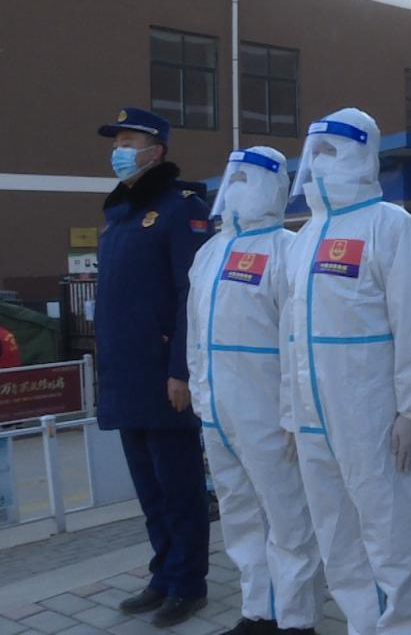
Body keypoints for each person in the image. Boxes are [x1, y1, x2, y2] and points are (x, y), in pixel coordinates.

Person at [283, 108, 411, 635]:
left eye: (332, 149)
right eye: (315, 151)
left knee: (394, 533)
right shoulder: (304, 237)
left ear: (362, 153)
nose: (319, 161)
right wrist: (292, 414)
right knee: (337, 537)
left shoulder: (394, 228)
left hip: (372, 414)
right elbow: (291, 336)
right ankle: (363, 625)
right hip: (314, 417)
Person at [187, 146, 322, 635]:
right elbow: (195, 333)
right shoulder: (209, 253)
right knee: (239, 512)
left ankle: (297, 618)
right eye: (234, 177)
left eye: (248, 177)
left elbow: (297, 340)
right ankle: (258, 612)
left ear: (275, 184)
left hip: (267, 411)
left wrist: (293, 412)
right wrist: (201, 397)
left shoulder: (289, 249)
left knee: (287, 515)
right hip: (219, 411)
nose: (237, 187)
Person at [94, 107, 212, 626]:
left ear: (155, 150)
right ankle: (163, 574)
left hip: (165, 377)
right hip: (126, 377)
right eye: (115, 141)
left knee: (179, 487)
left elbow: (191, 294)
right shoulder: (120, 214)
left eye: (127, 141)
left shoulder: (180, 209)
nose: (117, 149)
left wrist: (181, 369)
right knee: (149, 488)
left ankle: (188, 583)